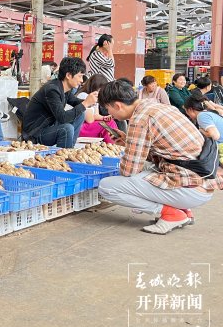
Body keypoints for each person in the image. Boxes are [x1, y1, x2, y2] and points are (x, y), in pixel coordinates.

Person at [97, 80, 222, 234]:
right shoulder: (158, 107)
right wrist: (129, 141)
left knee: (107, 186)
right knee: (147, 171)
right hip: (203, 183)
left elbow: (128, 171)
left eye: (109, 109)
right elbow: (167, 151)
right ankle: (183, 210)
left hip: (190, 188)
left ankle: (172, 214)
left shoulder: (140, 119)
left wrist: (130, 147)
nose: (111, 115)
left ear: (118, 105)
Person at [22, 57, 98, 148]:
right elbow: (63, 118)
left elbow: (76, 102)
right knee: (66, 129)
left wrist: (91, 101)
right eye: (80, 76)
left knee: (80, 114)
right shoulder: (52, 90)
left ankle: (70, 149)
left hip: (48, 127)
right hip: (34, 133)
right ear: (69, 75)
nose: (82, 81)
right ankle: (64, 156)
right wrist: (85, 103)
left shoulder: (65, 89)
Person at [76, 74, 118, 143]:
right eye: (100, 89)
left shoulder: (95, 98)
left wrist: (104, 118)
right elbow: (89, 120)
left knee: (110, 122)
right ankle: (112, 145)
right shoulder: (83, 95)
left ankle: (112, 144)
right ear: (95, 86)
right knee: (109, 124)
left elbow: (96, 115)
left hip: (87, 126)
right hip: (79, 127)